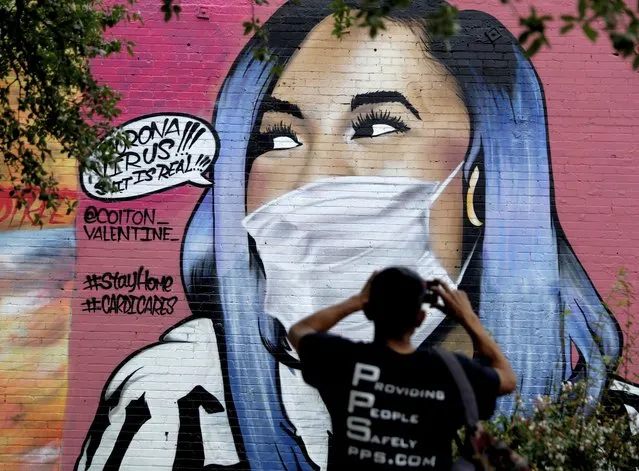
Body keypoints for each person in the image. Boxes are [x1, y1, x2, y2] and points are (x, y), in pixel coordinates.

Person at [75, 0, 623, 469]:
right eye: (279, 139)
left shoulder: (613, 429)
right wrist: (467, 317)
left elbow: (310, 335)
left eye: (377, 126)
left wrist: (359, 301)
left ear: (478, 186)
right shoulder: (176, 397)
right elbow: (500, 375)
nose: (313, 180)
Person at [288, 267, 516, 470]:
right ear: (420, 318)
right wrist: (467, 318)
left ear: (369, 311)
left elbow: (300, 331)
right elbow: (507, 379)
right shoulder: (450, 371)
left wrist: (356, 301)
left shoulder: (343, 360)